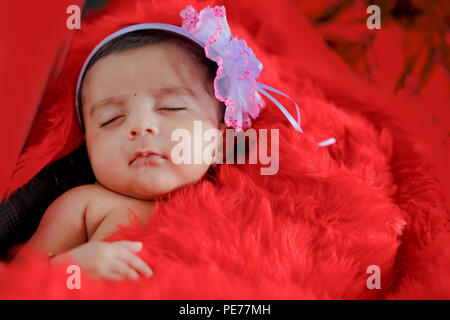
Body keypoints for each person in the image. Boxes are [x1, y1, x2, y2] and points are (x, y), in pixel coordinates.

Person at [13, 5, 334, 281]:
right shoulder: (85, 205)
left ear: (222, 142)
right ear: (87, 145)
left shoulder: (235, 207)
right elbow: (16, 281)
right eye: (111, 119)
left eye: (171, 108)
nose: (140, 127)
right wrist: (71, 268)